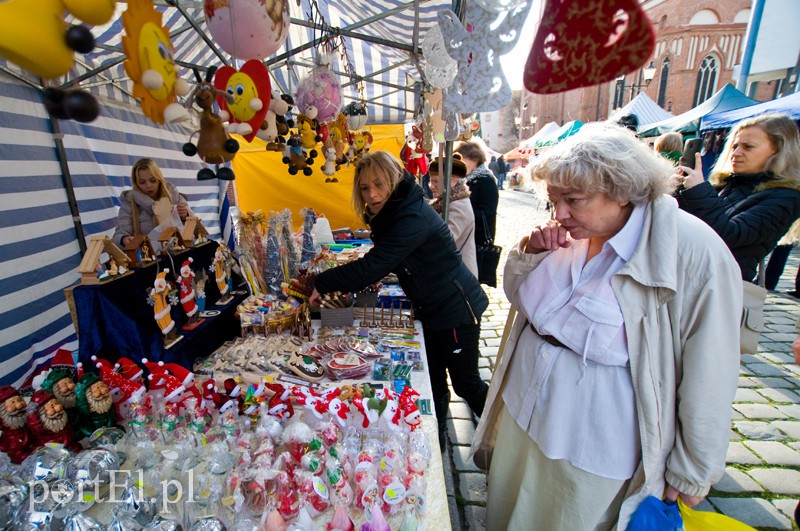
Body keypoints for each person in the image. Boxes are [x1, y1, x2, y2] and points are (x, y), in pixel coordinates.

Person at [470, 123, 742, 530]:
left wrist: (693, 469)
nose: (559, 213)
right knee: (508, 514)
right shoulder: (572, 230)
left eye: (573, 200)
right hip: (523, 416)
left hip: (592, 443)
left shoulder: (691, 249)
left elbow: (712, 367)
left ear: (622, 190)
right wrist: (531, 253)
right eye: (553, 199)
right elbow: (520, 301)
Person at [310, 151, 489, 447]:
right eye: (365, 188)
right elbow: (388, 259)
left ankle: (501, 439)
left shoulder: (411, 216)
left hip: (455, 308)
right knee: (433, 378)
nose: (372, 194)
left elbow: (373, 265)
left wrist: (322, 282)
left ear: (393, 179)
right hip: (432, 307)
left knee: (466, 383)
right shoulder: (399, 209)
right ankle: (435, 438)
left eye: (379, 184)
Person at [676, 114, 800, 282]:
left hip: (720, 287)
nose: (735, 153)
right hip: (692, 277)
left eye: (747, 147)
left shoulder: (787, 197)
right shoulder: (729, 183)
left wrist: (698, 191)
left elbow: (728, 237)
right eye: (734, 146)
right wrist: (678, 190)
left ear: (779, 151)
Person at [113, 158, 192, 248]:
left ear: (159, 179)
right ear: (136, 183)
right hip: (148, 257)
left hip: (178, 252)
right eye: (142, 182)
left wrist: (185, 216)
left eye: (153, 180)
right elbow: (120, 232)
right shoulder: (129, 202)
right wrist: (124, 239)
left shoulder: (173, 195)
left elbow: (195, 225)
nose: (148, 185)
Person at [428, 154, 478, 278]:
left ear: (452, 180)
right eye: (431, 181)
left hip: (458, 278)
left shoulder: (458, 206)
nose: (431, 186)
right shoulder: (446, 202)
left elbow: (444, 241)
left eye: (435, 181)